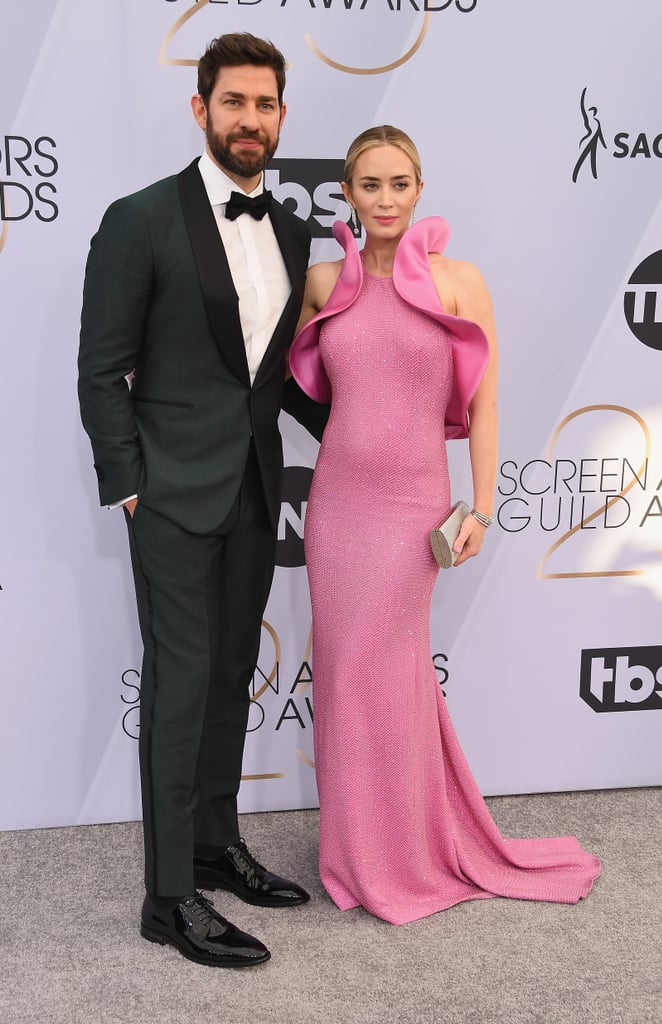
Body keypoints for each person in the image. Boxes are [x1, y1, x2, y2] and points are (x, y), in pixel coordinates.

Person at [288, 125, 601, 925]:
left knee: (381, 671)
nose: (384, 199)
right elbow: (279, 381)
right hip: (337, 507)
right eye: (368, 184)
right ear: (347, 194)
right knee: (347, 673)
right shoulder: (325, 282)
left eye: (398, 184)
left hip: (412, 511)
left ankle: (408, 851)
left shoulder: (460, 282)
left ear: (419, 189)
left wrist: (483, 508)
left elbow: (486, 407)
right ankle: (358, 851)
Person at [78, 33, 326, 967]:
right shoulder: (138, 219)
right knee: (180, 687)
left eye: (265, 106)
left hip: (258, 488)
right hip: (172, 497)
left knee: (228, 678)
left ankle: (216, 846)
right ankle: (168, 897)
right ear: (201, 110)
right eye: (234, 104)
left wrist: (373, 423)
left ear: (280, 116)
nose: (250, 120)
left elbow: (271, 379)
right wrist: (130, 489)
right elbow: (101, 370)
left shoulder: (294, 232)